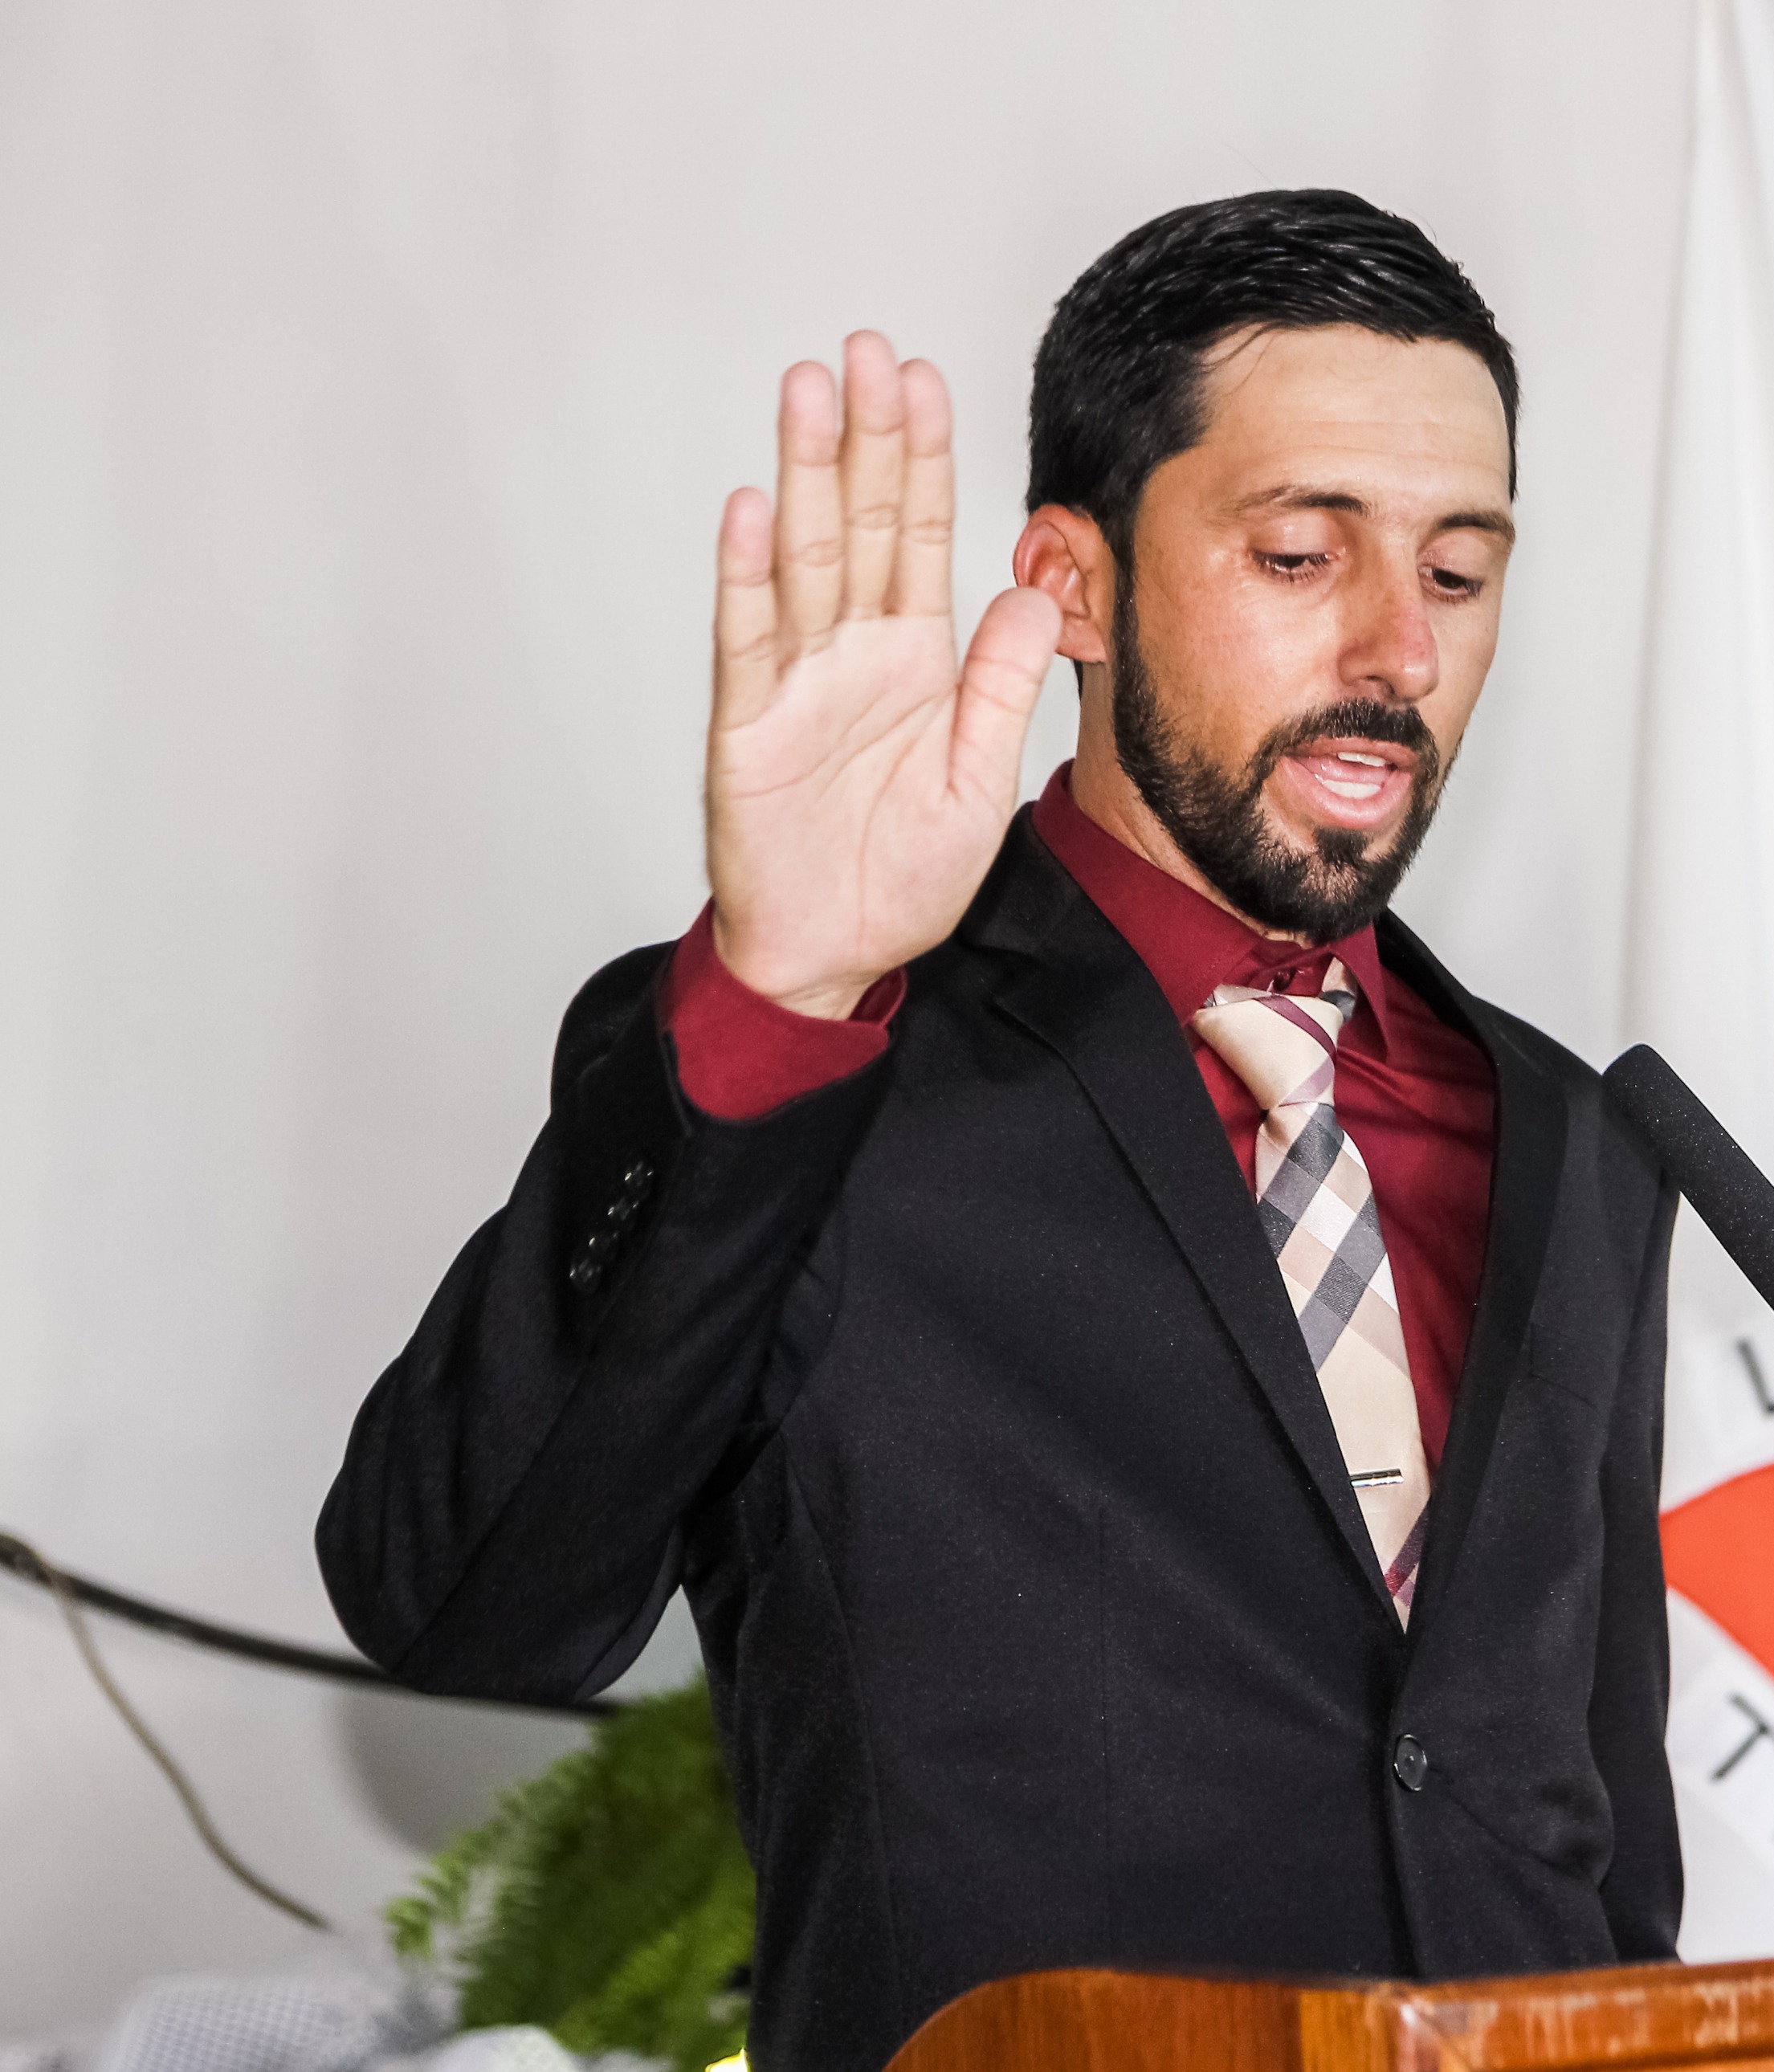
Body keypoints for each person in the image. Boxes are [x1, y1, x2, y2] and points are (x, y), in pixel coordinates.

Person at [318, 190, 1683, 2072]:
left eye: (1457, 574)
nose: (1399, 648)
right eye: (1300, 554)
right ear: (1075, 586)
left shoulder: (1575, 1143)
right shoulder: (818, 1066)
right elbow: (461, 1603)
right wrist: (782, 996)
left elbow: (1594, 1840)